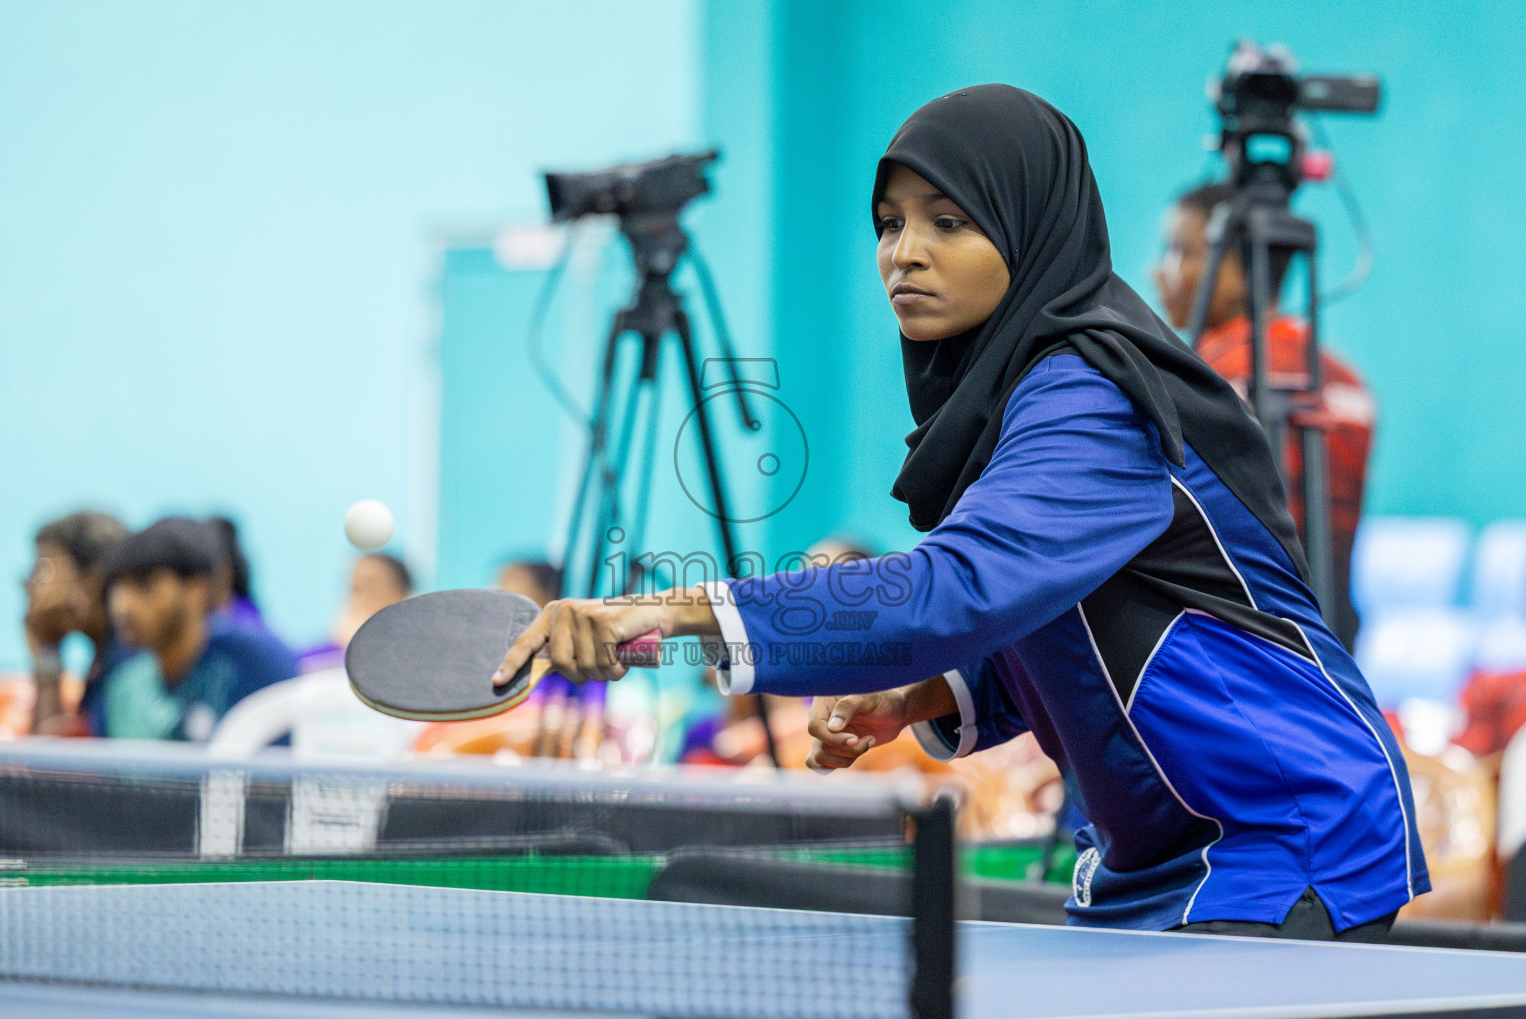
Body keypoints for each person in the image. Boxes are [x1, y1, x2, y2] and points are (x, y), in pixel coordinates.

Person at [496, 85, 1426, 940]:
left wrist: (662, 613)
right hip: (1152, 853)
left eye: (950, 222)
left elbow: (954, 593)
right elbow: (1093, 622)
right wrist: (932, 691)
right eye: (890, 224)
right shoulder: (1011, 394)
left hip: (1280, 839)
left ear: (1028, 230)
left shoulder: (1092, 392)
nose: (906, 252)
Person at [1154, 182, 1376, 651]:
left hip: (1231, 639)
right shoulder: (1347, 380)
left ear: (1235, 270)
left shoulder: (1202, 377)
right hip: (1333, 637)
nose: (1159, 272)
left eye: (1179, 250)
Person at [98, 517, 297, 741]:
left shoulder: (256, 663)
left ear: (197, 589)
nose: (123, 606)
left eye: (144, 585)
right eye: (117, 588)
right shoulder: (122, 689)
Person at [22, 511, 131, 734]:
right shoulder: (102, 664)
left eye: (43, 570)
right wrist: (47, 651)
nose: (29, 585)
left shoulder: (129, 669)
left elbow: (48, 764)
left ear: (89, 581)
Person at [297, 552, 414, 674]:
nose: (360, 600)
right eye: (355, 589)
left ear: (400, 595)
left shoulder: (413, 653)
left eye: (370, 588)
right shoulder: (317, 656)